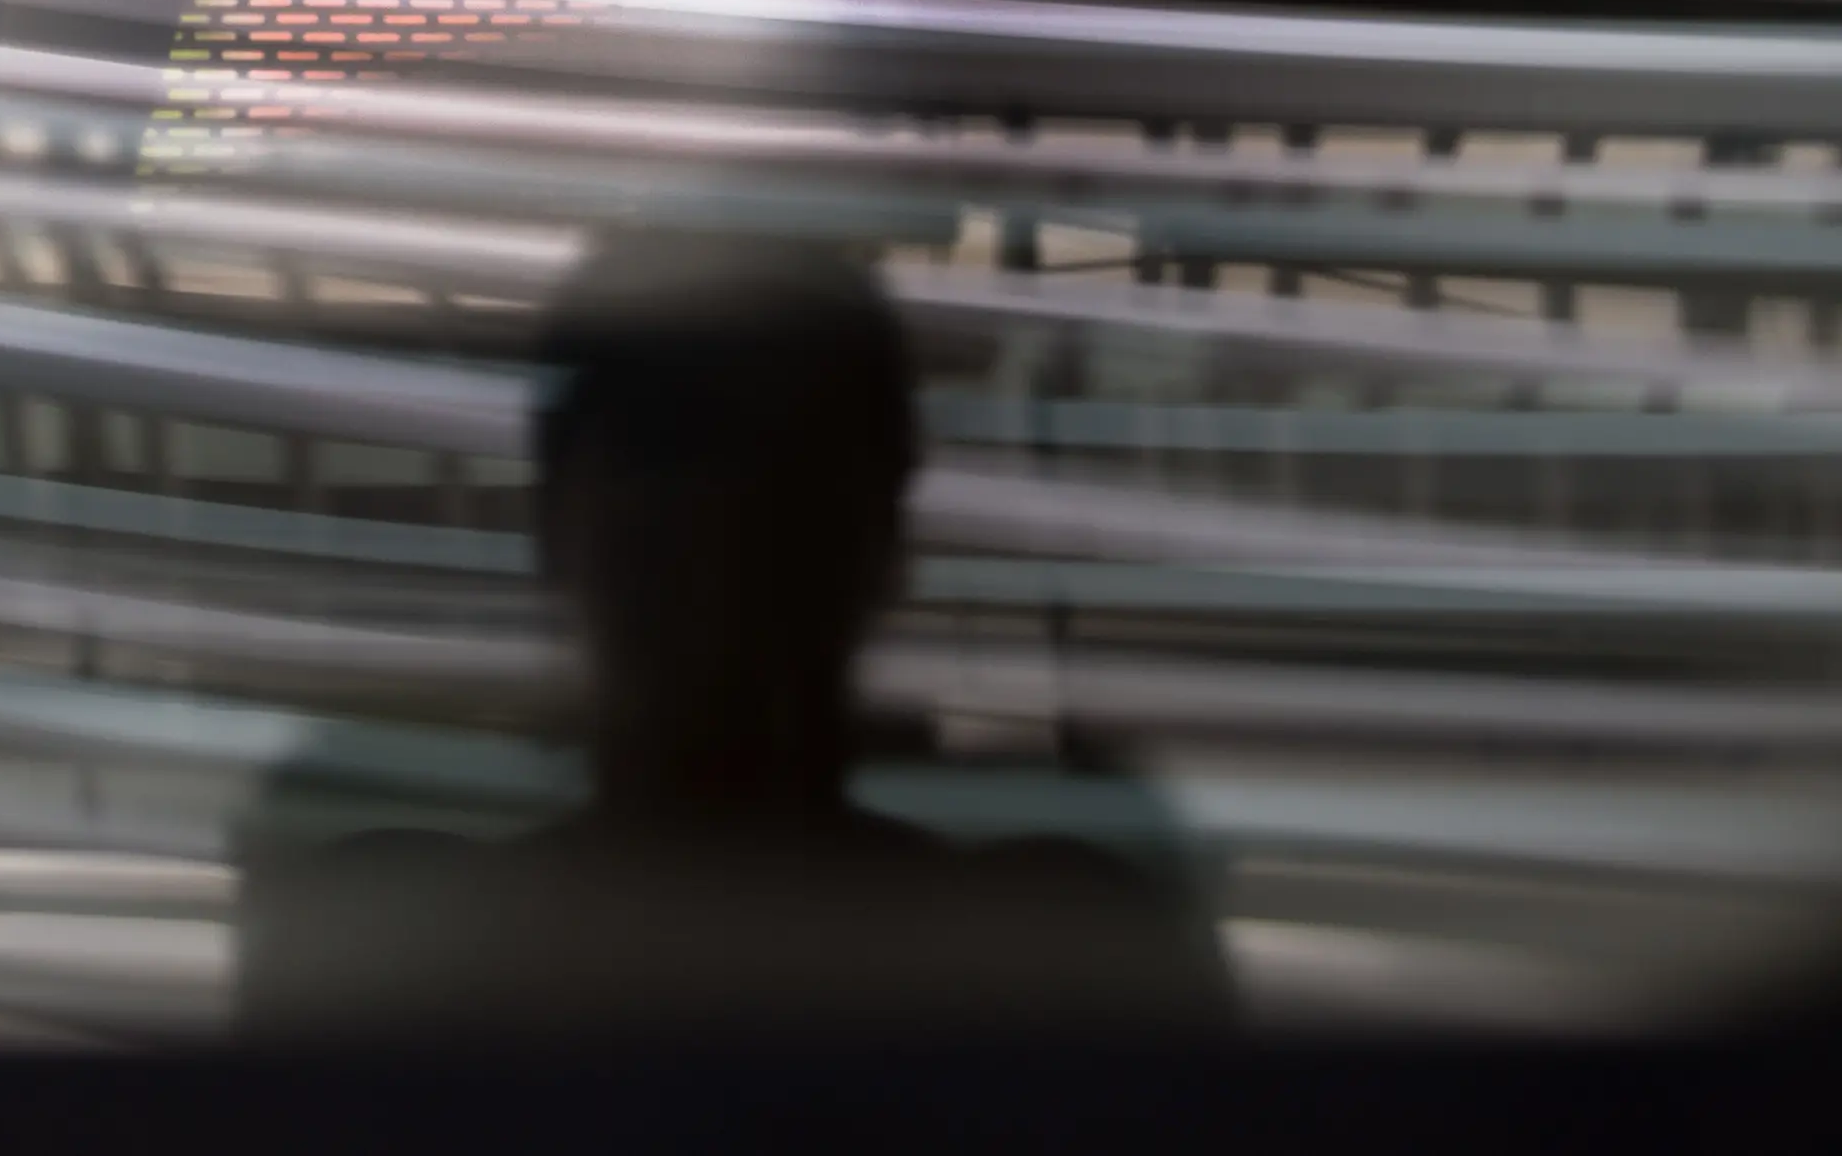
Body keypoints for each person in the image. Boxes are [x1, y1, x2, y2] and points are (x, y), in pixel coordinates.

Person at [236, 229, 1232, 1040]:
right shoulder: (1042, 961)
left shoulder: (410, 960)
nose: (718, 537)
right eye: (670, 469)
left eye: (779, 481)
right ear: (889, 546)